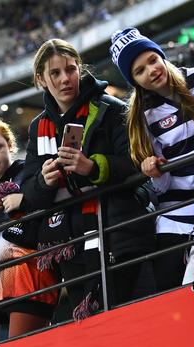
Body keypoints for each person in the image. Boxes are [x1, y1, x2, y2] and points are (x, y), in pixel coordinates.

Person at [22, 39, 155, 320]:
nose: (65, 79)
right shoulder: (38, 127)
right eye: (55, 73)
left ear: (79, 69)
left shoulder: (111, 108)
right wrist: (44, 180)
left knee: (134, 321)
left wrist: (92, 167)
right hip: (70, 246)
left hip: (121, 235)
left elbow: (137, 164)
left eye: (70, 69)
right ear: (41, 79)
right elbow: (29, 191)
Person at [110, 27, 194, 287]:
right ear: (133, 81)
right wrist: (154, 171)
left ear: (161, 55)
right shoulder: (142, 117)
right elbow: (162, 187)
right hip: (177, 211)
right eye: (139, 71)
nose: (152, 70)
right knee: (171, 288)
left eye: (152, 60)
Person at [0, 114, 58, 336]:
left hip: (30, 273)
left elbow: (47, 203)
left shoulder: (28, 170)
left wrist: (23, 200)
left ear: (10, 144)